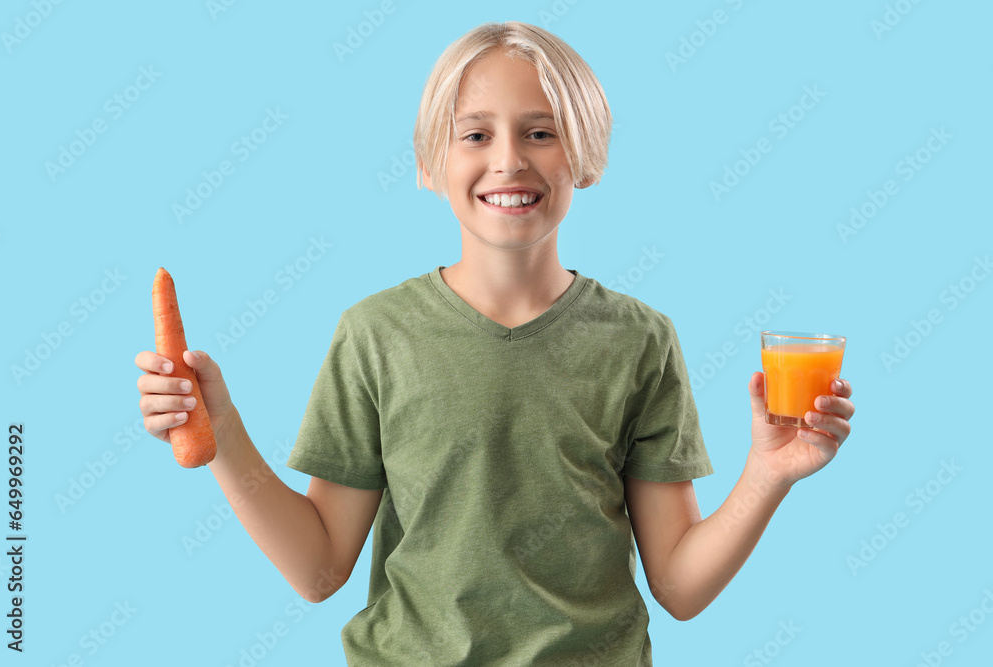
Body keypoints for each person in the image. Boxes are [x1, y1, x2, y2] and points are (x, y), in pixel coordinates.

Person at [135, 21, 855, 665]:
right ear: (432, 159)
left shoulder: (641, 341)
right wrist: (221, 430)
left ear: (584, 151)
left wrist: (767, 473)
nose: (509, 160)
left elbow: (678, 584)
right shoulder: (375, 334)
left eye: (540, 132)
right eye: (475, 134)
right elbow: (319, 568)